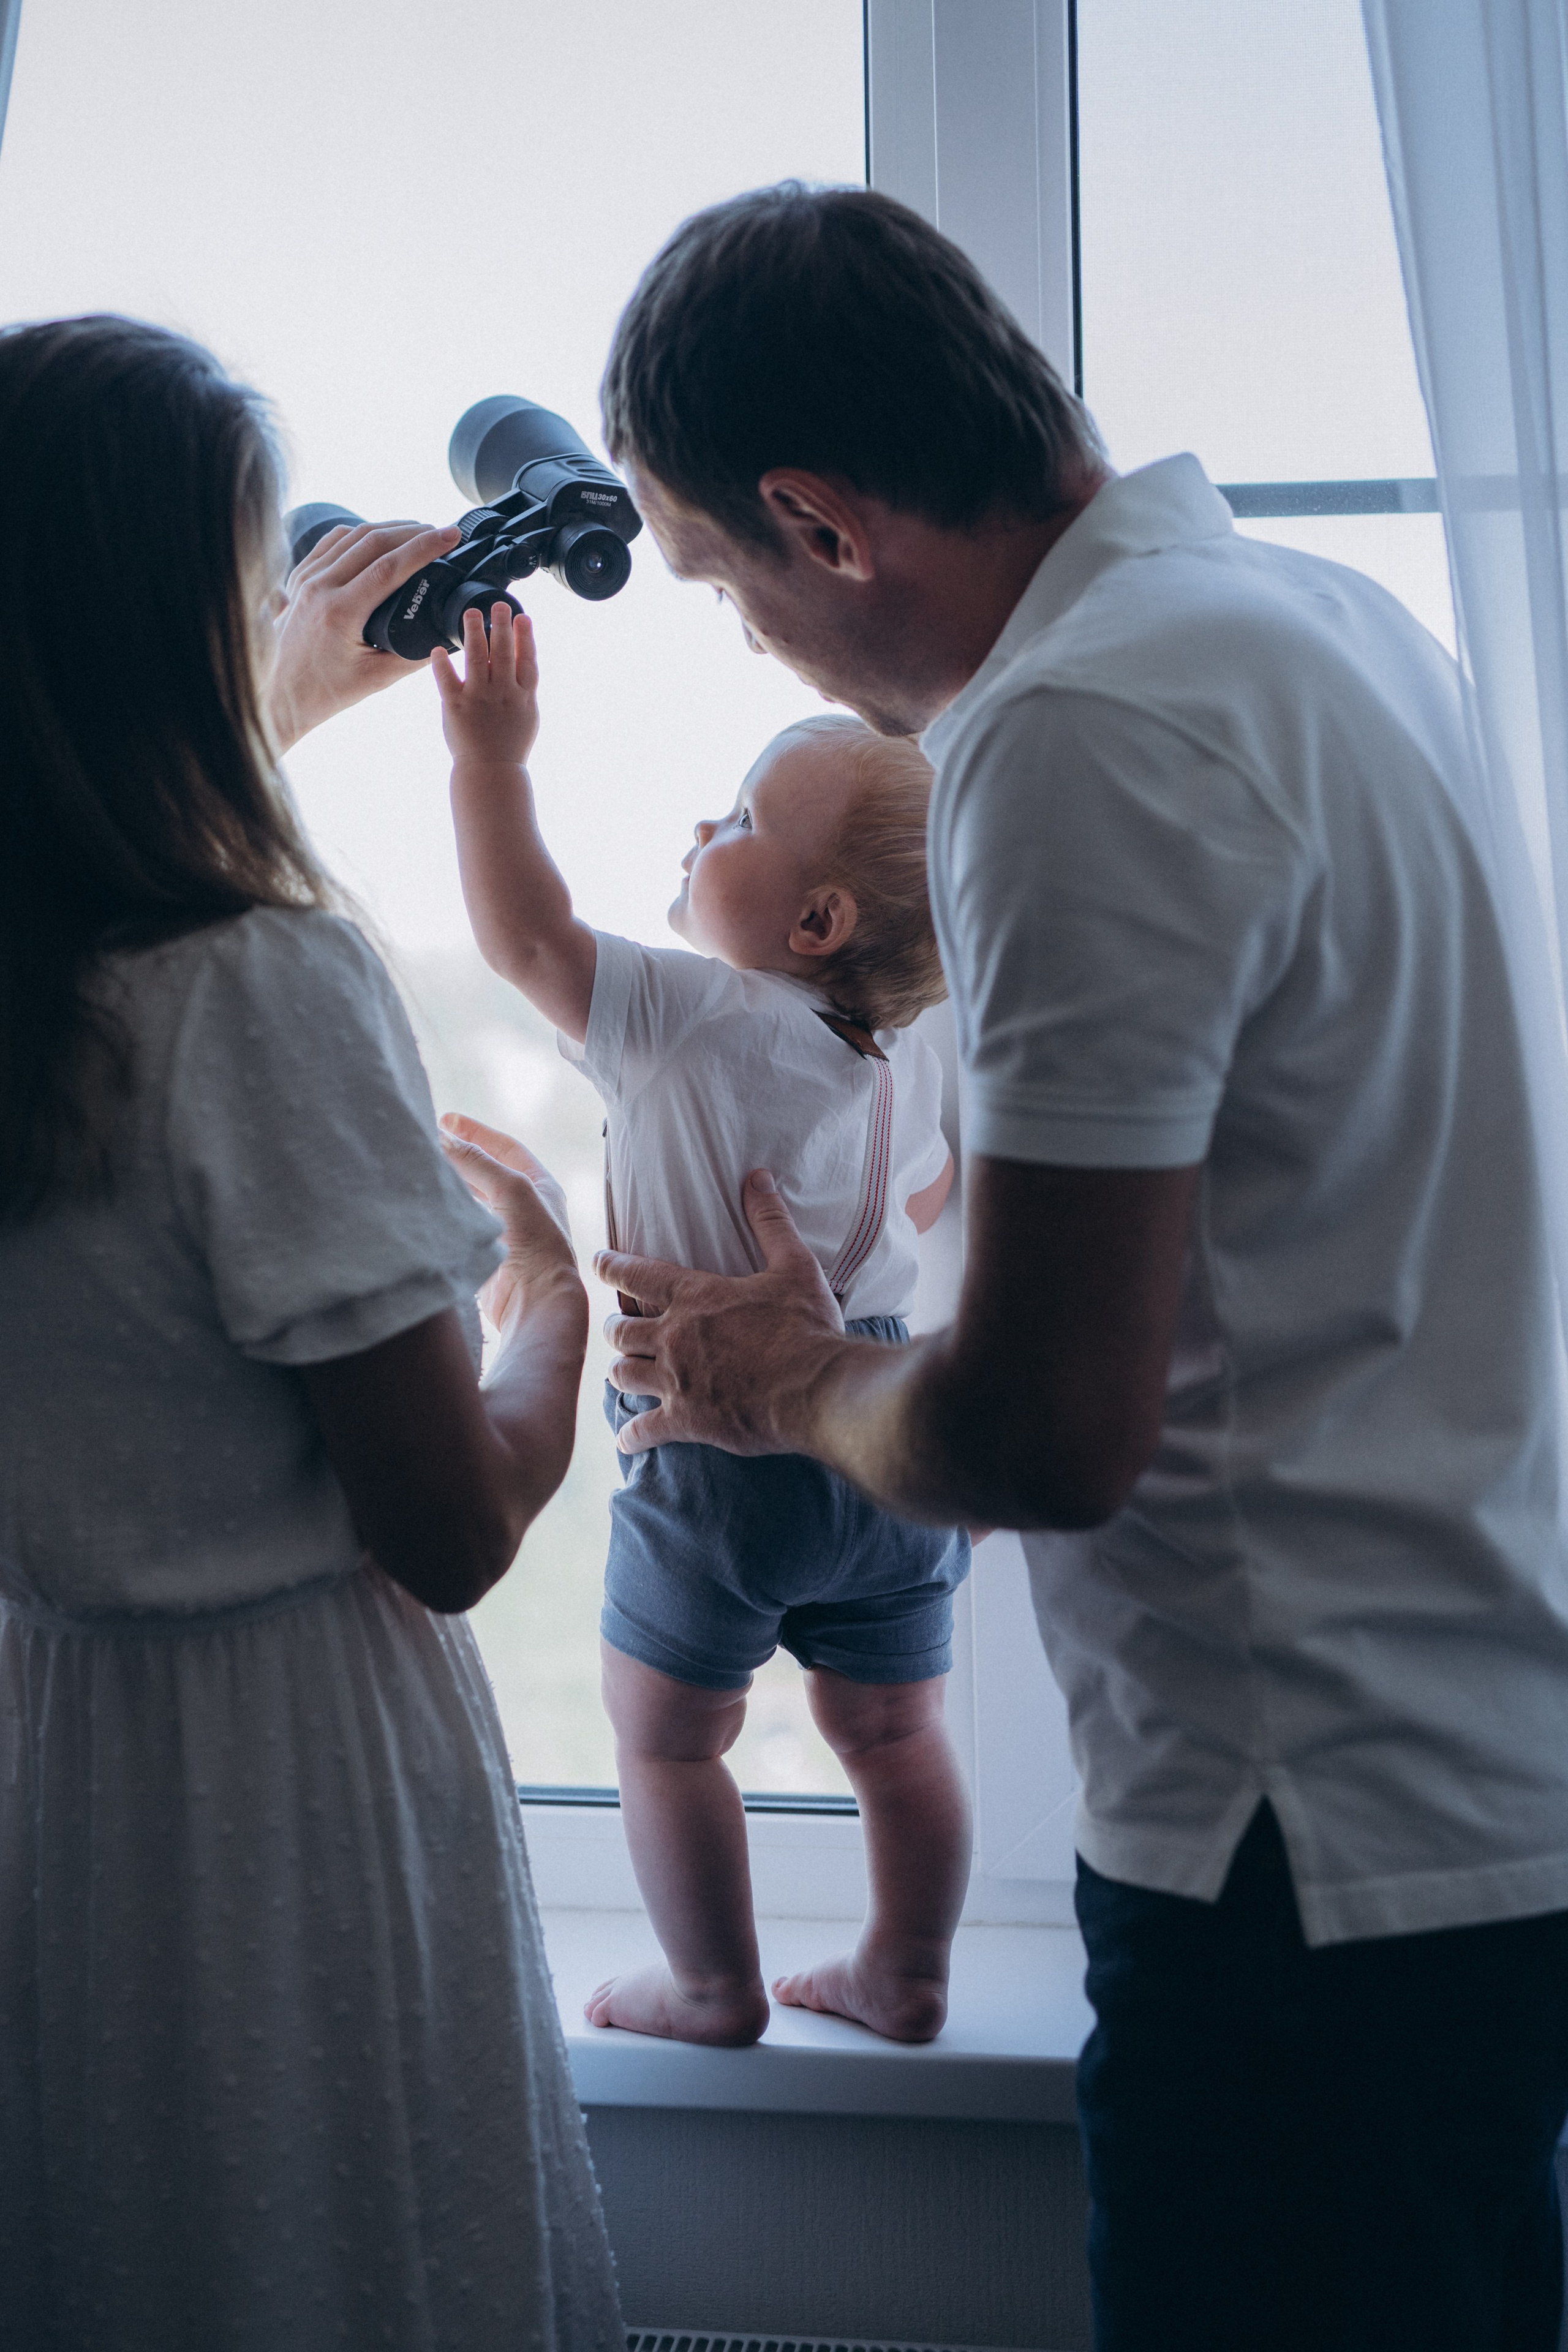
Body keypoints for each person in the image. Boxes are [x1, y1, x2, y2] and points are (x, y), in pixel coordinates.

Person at [580, 184, 1568, 2350]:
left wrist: (784, 1376)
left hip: (1288, 1849)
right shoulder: (1328, 623)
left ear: (820, 523)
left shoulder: (1076, 724)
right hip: (1479, 1780)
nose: (756, 643)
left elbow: (1043, 1428)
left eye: (726, 586)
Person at [0, 315, 623, 2351]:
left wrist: (259, 724)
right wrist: (553, 1311)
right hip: (277, 1787)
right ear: (175, 621)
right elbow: (450, 1530)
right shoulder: (259, 983)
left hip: (54, 1760)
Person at [431, 601, 970, 2046]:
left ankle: (712, 1985)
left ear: (814, 924)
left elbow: (525, 936)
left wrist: (492, 760)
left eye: (737, 821)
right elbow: (926, 1201)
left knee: (666, 1739)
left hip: (710, 1443)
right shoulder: (906, 1057)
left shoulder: (692, 1014)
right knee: (895, 1731)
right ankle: (908, 1970)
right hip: (884, 1432)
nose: (700, 827)